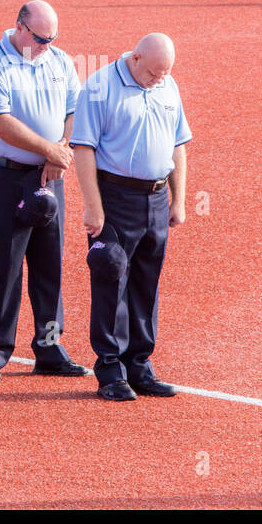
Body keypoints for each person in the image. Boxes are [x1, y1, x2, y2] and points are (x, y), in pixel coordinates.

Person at [0, 0, 90, 383]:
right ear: (20, 27)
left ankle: (50, 348)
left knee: (49, 267)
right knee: (3, 266)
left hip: (50, 175)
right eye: (39, 39)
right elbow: (0, 122)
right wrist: (48, 149)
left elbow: (75, 111)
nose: (46, 46)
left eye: (52, 39)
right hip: (5, 176)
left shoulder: (59, 60)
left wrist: (60, 151)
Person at [72, 34, 192, 402]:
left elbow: (178, 144)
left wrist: (179, 199)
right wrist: (94, 207)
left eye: (165, 74)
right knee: (111, 277)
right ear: (136, 57)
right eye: (154, 72)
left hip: (155, 198)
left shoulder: (167, 85)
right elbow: (83, 148)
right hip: (115, 197)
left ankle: (139, 364)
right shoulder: (99, 87)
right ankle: (109, 369)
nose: (159, 80)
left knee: (146, 282)